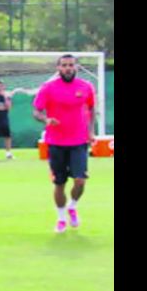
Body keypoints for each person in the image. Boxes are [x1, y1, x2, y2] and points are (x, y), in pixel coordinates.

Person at [32, 54, 95, 233]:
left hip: (79, 141)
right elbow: (36, 111)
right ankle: (60, 218)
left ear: (76, 67)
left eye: (71, 65)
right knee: (59, 183)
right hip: (56, 142)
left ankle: (72, 206)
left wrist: (90, 131)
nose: (68, 68)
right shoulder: (49, 88)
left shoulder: (86, 87)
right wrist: (45, 119)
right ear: (58, 68)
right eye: (64, 65)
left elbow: (91, 107)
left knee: (80, 181)